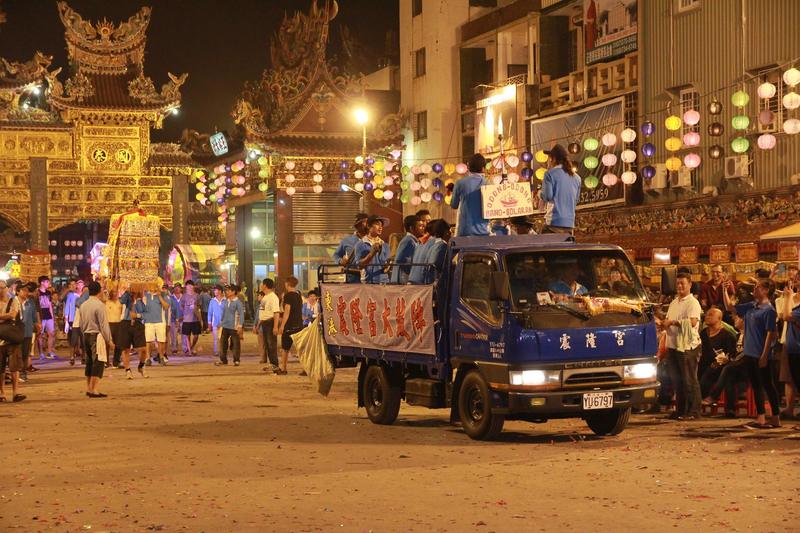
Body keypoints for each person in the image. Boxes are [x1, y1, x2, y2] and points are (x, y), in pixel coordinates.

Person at [723, 278, 781, 428]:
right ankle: (761, 417)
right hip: (749, 351)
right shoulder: (751, 306)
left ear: (766, 290)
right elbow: (730, 308)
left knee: (768, 385)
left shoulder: (769, 310)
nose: (754, 289)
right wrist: (725, 291)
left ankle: (776, 417)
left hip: (761, 353)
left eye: (757, 287)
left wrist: (764, 354)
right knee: (756, 385)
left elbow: (771, 334)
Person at [658, 272, 702, 420]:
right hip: (674, 345)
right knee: (677, 381)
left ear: (690, 284)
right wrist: (663, 323)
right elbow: (669, 320)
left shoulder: (693, 302)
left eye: (683, 283)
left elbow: (693, 322)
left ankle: (694, 411)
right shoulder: (674, 302)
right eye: (677, 283)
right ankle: (681, 410)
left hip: (688, 347)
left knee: (689, 379)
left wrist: (673, 323)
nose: (679, 286)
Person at [77, 282, 114, 398]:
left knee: (89, 362)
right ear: (99, 291)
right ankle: (94, 389)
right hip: (96, 335)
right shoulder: (99, 305)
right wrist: (109, 340)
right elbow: (104, 325)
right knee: (98, 362)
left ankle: (89, 388)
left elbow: (81, 324)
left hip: (86, 334)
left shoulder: (83, 305)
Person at [539, 144, 581, 235]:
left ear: (553, 159)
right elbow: (576, 200)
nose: (548, 162)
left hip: (554, 223)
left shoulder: (549, 174)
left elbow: (547, 196)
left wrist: (540, 194)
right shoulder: (577, 178)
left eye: (549, 159)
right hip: (570, 225)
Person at [450, 153, 489, 237]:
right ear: (483, 168)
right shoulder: (489, 184)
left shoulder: (460, 183)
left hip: (465, 232)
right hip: (484, 231)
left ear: (468, 167)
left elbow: (454, 205)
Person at [0, 283, 25, 403]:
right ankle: (2, 393)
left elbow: (13, 314)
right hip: (0, 341)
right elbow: (10, 315)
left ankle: (16, 393)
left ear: (6, 289)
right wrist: (7, 316)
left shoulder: (13, 300)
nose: (1, 290)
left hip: (12, 338)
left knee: (14, 367)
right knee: (1, 369)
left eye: (2, 287)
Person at [779, 278, 800, 420]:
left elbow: (786, 316)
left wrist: (787, 298)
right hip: (792, 347)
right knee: (793, 379)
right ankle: (789, 409)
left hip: (798, 348)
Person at [409, 219, 451, 285]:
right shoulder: (437, 244)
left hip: (414, 281)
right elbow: (436, 264)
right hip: (425, 283)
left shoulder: (421, 243)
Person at [277, 276, 304, 375]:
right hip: (299, 325)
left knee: (285, 348)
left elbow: (287, 312)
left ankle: (283, 368)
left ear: (287, 284)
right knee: (300, 349)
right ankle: (305, 368)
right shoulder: (298, 295)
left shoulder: (288, 296)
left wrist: (282, 325)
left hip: (290, 325)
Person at [333, 213, 369, 283]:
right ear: (358, 226)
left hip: (369, 278)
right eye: (365, 222)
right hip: (352, 279)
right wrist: (341, 261)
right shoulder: (346, 241)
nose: (367, 225)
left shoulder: (373, 240)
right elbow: (336, 255)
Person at [119, 288, 147, 379]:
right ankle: (128, 370)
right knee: (126, 349)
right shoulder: (127, 296)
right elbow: (121, 301)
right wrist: (128, 292)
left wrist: (138, 315)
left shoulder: (144, 298)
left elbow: (149, 313)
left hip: (138, 324)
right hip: (126, 323)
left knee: (143, 349)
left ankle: (141, 366)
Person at [255, 279, 282, 374]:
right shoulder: (265, 297)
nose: (261, 285)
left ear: (265, 285)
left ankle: (275, 365)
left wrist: (275, 327)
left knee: (272, 345)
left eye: (262, 284)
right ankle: (272, 363)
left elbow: (276, 312)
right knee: (267, 345)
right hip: (265, 323)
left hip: (270, 323)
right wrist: (259, 324)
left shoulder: (273, 297)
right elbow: (263, 312)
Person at [356, 215, 391, 284]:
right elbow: (359, 266)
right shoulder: (360, 244)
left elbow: (387, 264)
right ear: (369, 226)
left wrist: (388, 265)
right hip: (368, 281)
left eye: (381, 225)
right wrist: (371, 254)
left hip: (384, 281)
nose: (380, 227)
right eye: (377, 224)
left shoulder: (385, 245)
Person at [216, 285, 244, 366]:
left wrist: (240, 326)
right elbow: (223, 313)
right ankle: (223, 360)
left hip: (234, 327)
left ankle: (236, 360)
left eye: (228, 291)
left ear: (233, 292)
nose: (226, 292)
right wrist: (220, 323)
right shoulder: (226, 301)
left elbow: (241, 314)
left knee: (236, 344)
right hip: (225, 326)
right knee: (223, 344)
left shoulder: (238, 303)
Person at [390, 214, 423, 284]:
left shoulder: (413, 240)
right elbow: (400, 259)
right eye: (420, 226)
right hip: (403, 279)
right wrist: (411, 272)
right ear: (411, 228)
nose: (423, 228)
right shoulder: (408, 240)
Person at [142, 286, 170, 366]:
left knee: (161, 340)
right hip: (148, 321)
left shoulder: (163, 294)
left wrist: (159, 296)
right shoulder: (145, 295)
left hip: (160, 321)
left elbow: (166, 306)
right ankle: (148, 358)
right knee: (148, 341)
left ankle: (161, 357)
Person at [19, 282, 40, 382]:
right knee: (16, 355)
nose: (26, 292)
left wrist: (37, 326)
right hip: (16, 333)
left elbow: (34, 317)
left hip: (28, 332)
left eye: (27, 290)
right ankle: (16, 374)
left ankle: (23, 374)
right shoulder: (13, 302)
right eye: (24, 290)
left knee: (25, 354)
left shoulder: (30, 302)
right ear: (18, 292)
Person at [36, 276, 57, 360]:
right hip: (41, 315)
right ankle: (41, 353)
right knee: (40, 334)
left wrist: (52, 317)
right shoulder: (37, 292)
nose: (48, 284)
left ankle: (49, 351)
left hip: (48, 315)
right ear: (42, 282)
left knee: (51, 333)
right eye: (47, 282)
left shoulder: (48, 292)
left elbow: (50, 305)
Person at [180, 280, 202, 356]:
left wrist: (196, 308)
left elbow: (199, 305)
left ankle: (192, 347)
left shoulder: (197, 295)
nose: (189, 287)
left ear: (193, 286)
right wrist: (185, 312)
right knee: (187, 336)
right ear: (186, 287)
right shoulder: (184, 296)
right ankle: (189, 351)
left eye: (191, 285)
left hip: (195, 319)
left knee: (196, 335)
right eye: (188, 285)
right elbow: (181, 305)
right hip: (186, 319)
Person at [105, 284, 123, 368]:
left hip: (118, 324)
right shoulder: (107, 302)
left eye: (116, 292)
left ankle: (116, 362)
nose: (115, 294)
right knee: (107, 344)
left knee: (119, 344)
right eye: (113, 292)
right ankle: (106, 362)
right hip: (109, 324)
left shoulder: (120, 302)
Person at [207, 285, 225, 358]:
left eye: (215, 290)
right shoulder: (212, 301)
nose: (214, 292)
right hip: (215, 323)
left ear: (220, 291)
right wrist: (209, 323)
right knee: (216, 338)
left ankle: (223, 351)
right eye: (214, 290)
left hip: (224, 323)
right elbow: (210, 313)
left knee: (223, 338)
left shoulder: (225, 301)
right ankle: (216, 351)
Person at [168, 285, 182, 356]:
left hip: (183, 319)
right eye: (175, 288)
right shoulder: (170, 298)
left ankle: (185, 348)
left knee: (184, 335)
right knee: (173, 335)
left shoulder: (183, 297)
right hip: (173, 319)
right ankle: (174, 348)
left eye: (178, 288)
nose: (177, 289)